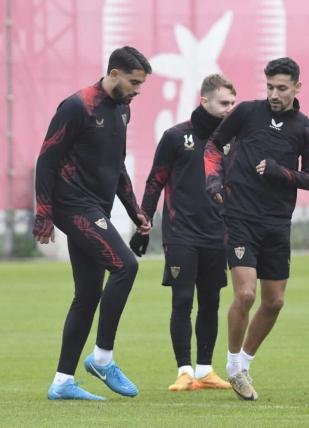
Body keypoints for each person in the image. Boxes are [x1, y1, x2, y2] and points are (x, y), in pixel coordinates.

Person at [33, 46, 152, 400]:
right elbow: (46, 160)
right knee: (125, 266)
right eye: (134, 82)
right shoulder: (77, 105)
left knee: (87, 295)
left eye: (141, 84)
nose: (137, 90)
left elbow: (117, 168)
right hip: (73, 205)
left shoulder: (123, 110)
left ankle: (62, 382)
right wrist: (44, 212)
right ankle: (102, 358)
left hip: (94, 207)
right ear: (114, 73)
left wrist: (135, 212)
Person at [204, 57, 309, 401]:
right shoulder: (246, 113)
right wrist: (214, 181)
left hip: (277, 223)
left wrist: (278, 171)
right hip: (240, 216)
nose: (273, 94)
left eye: (281, 88)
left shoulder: (305, 128)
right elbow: (213, 146)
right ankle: (231, 365)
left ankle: (243, 364)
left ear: (297, 88)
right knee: (245, 295)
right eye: (269, 86)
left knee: (275, 302)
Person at [130, 74, 237, 392]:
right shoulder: (176, 136)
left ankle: (205, 370)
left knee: (211, 302)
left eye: (232, 103)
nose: (229, 109)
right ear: (204, 101)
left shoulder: (233, 140)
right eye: (223, 103)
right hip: (181, 233)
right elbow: (155, 181)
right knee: (182, 300)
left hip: (218, 233)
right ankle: (184, 371)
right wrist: (143, 221)